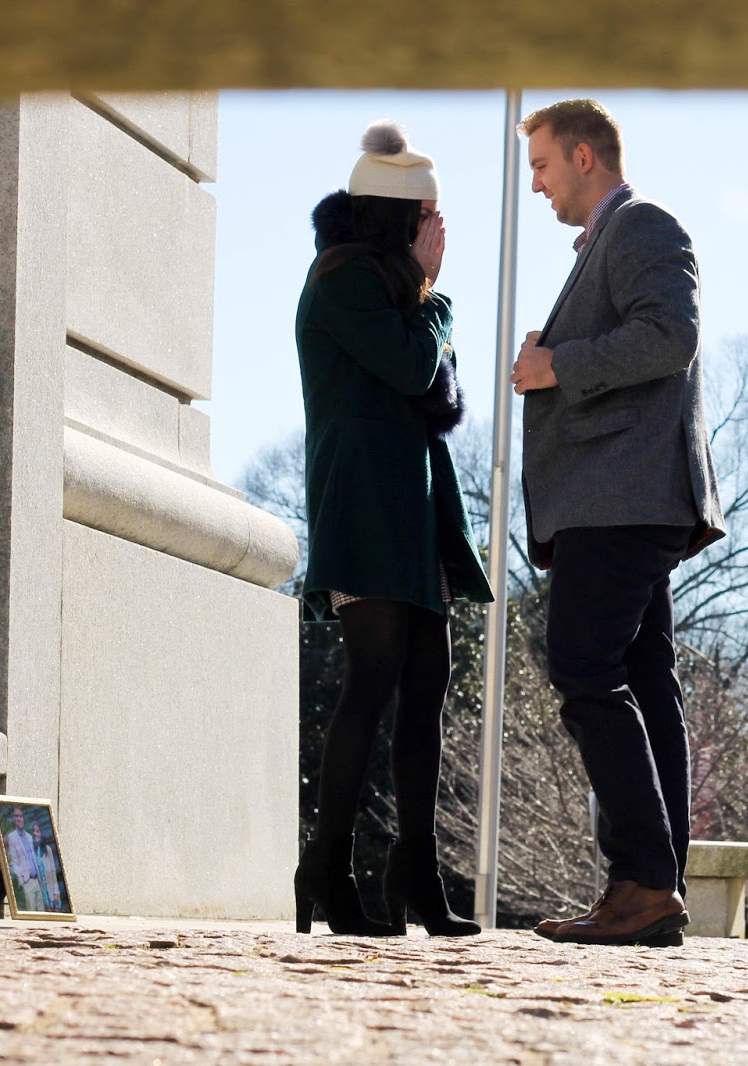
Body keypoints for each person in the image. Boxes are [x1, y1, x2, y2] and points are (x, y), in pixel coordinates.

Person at [511, 99, 725, 946]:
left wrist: (557, 364)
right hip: (622, 494)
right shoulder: (613, 238)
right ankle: (651, 887)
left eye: (542, 167)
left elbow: (669, 337)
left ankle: (640, 877)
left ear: (584, 155)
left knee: (584, 664)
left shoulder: (643, 224)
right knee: (642, 675)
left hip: (623, 496)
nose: (536, 186)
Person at [293, 120, 493, 938]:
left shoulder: (386, 284)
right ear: (397, 218)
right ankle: (326, 869)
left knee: (427, 690)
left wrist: (420, 293)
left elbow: (437, 400)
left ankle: (415, 872)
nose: (439, 228)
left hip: (413, 509)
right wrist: (434, 290)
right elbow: (416, 369)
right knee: (371, 683)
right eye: (429, 215)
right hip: (364, 506)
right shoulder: (341, 278)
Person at [3, 806, 44, 912]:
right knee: (31, 914)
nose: (19, 819)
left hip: (37, 881)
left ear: (24, 818)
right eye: (16, 816)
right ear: (13, 819)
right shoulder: (12, 837)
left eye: (21, 816)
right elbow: (14, 862)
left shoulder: (30, 837)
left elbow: (33, 858)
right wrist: (22, 881)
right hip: (27, 881)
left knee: (42, 913)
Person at [33, 824, 64, 912]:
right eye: (33, 831)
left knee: (55, 913)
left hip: (51, 888)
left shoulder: (47, 849)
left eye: (37, 831)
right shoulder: (33, 851)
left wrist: (56, 892)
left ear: (42, 833)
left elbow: (53, 872)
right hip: (41, 890)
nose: (35, 833)